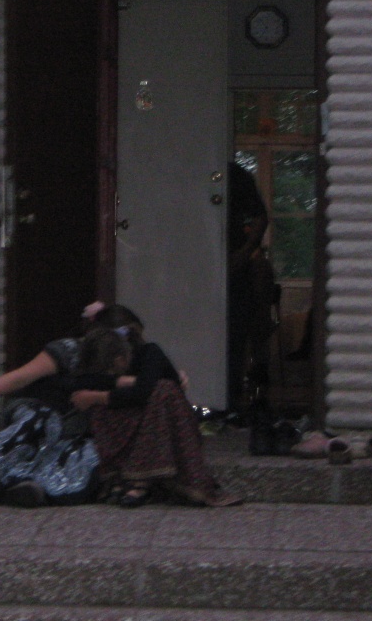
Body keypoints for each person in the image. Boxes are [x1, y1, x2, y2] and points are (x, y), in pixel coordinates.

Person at [70, 303, 242, 508]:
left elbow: (142, 393)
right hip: (121, 425)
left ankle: (141, 480)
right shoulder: (96, 356)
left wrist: (100, 396)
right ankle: (129, 478)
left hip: (156, 423)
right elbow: (79, 384)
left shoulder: (149, 353)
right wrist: (118, 382)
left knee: (163, 391)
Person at [0, 304, 113, 509]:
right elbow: (20, 377)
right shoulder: (67, 350)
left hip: (75, 430)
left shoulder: (125, 360)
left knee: (82, 452)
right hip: (40, 412)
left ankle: (29, 487)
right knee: (42, 421)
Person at [227, 161, 270, 415]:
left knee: (235, 334)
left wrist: (242, 255)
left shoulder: (236, 175)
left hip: (235, 270)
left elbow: (260, 217)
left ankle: (231, 399)